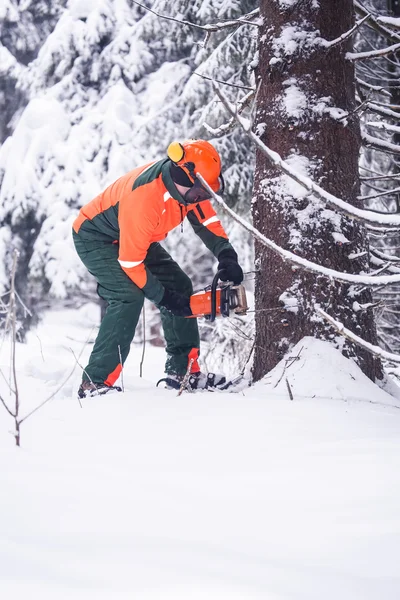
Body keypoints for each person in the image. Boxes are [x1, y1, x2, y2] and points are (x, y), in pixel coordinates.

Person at [72, 139, 244, 398]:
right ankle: (94, 382)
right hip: (96, 237)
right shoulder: (145, 199)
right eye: (200, 193)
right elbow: (131, 263)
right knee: (127, 296)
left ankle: (183, 372)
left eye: (205, 194)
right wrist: (164, 298)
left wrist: (226, 254)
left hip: (132, 235)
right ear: (184, 177)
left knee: (180, 286)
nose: (201, 199)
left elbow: (205, 219)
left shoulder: (188, 186)